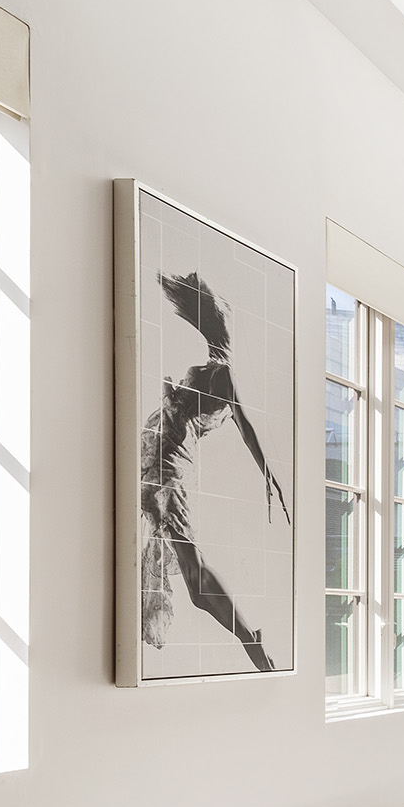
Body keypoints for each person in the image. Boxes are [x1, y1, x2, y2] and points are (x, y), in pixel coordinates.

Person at [139, 271, 289, 673]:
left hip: (166, 470)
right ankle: (248, 635)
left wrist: (269, 475)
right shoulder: (210, 367)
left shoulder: (222, 373)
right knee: (193, 587)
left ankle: (250, 636)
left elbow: (245, 424)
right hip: (157, 465)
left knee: (195, 575)